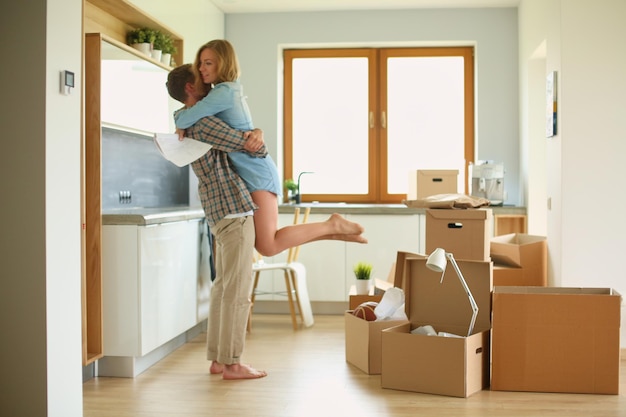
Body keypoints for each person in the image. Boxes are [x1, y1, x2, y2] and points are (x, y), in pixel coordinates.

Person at [174, 39, 367, 257]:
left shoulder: (224, 92)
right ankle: (334, 230)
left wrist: (178, 119)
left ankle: (332, 226)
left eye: (208, 63)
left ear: (223, 63)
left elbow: (190, 116)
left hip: (257, 172)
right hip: (253, 171)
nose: (201, 69)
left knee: (268, 246)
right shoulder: (225, 91)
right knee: (266, 245)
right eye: (200, 63)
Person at [166, 64, 267, 380]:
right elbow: (254, 148)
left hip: (217, 211)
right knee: (237, 291)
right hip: (234, 209)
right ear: (189, 89)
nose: (207, 79)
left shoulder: (188, 122)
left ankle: (218, 359)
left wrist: (255, 134)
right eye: (200, 76)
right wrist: (258, 136)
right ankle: (233, 363)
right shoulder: (203, 123)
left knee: (223, 287)